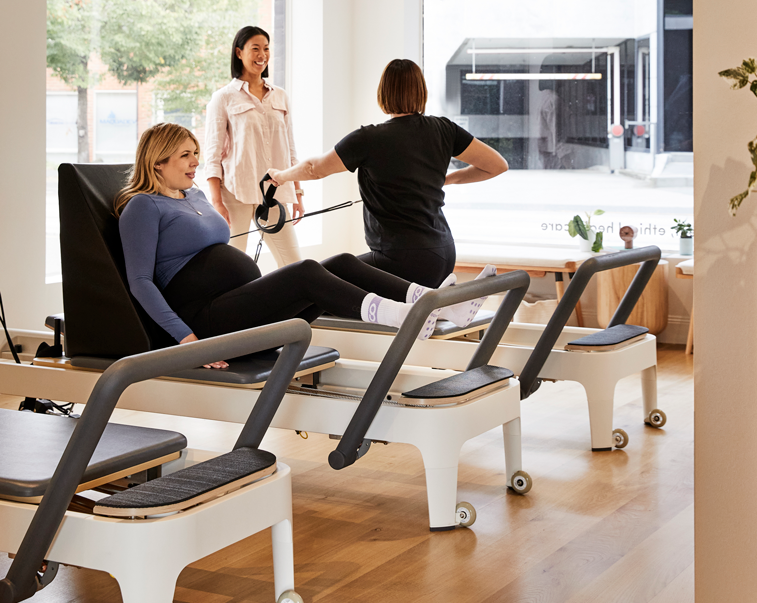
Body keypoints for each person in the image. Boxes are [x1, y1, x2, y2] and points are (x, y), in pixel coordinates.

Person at [116, 123, 490, 368]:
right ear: (158, 160)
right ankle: (404, 316)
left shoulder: (191, 195)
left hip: (238, 306)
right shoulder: (142, 207)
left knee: (340, 261)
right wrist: (187, 341)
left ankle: (432, 303)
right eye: (186, 155)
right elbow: (141, 283)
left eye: (196, 153)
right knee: (308, 273)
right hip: (209, 323)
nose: (196, 162)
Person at [268, 59, 508, 285]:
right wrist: (447, 180)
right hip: (444, 253)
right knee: (337, 276)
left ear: (383, 93)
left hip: (401, 259)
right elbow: (497, 165)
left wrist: (280, 176)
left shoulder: (369, 138)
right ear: (420, 91)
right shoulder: (444, 129)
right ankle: (439, 308)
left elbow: (314, 169)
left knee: (311, 280)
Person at [204, 25, 303, 268]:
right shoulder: (223, 97)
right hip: (234, 192)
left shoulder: (280, 96)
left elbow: (290, 149)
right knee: (232, 268)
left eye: (266, 49)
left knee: (293, 264)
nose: (262, 55)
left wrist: (298, 192)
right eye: (255, 48)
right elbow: (213, 154)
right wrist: (216, 202)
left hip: (273, 192)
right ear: (239, 53)